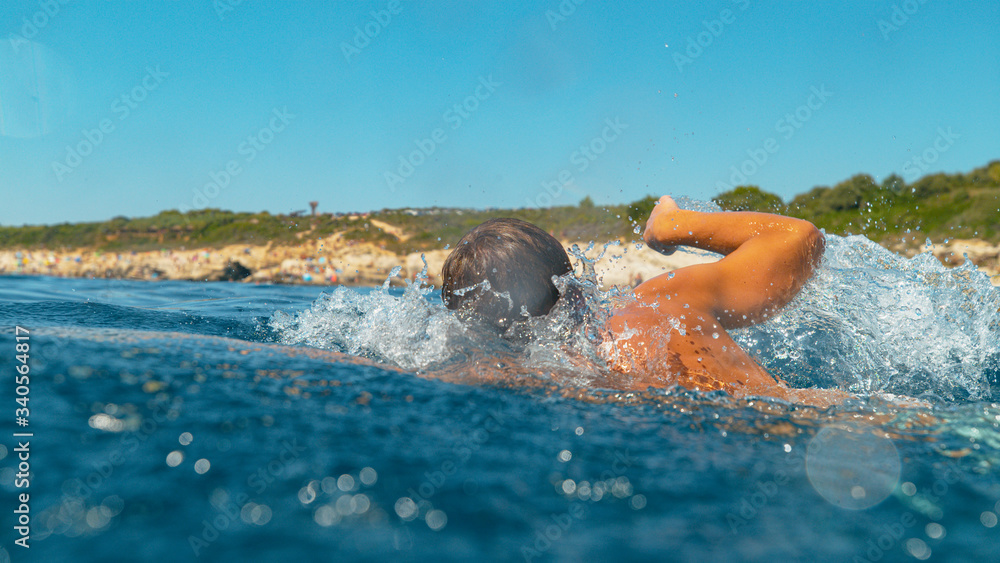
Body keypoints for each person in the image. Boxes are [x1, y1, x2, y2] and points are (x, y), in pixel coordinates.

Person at [441, 196, 850, 406]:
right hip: (845, 416)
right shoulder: (659, 301)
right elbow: (800, 239)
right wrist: (676, 226)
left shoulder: (521, 372)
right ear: (574, 287)